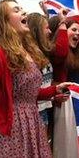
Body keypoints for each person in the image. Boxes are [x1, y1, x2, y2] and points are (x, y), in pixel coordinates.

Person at [0, 0, 71, 158]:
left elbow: (26, 93)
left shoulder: (27, 50)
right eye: (16, 10)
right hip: (13, 127)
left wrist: (54, 91)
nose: (24, 12)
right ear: (4, 22)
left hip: (32, 122)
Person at [27, 12, 53, 142]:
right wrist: (55, 91)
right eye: (46, 28)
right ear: (36, 31)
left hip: (46, 107)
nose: (49, 31)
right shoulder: (28, 56)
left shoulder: (42, 52)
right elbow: (30, 91)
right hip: (36, 111)